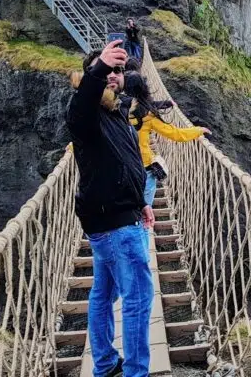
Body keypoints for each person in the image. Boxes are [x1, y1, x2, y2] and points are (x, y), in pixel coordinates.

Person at [66, 41, 154, 377]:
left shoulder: (115, 113)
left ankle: (103, 363)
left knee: (103, 294)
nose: (114, 76)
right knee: (138, 299)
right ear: (93, 75)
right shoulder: (85, 115)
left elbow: (128, 163)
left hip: (115, 215)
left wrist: (141, 203)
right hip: (115, 226)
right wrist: (99, 67)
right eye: (107, 72)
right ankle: (136, 373)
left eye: (118, 71)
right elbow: (81, 105)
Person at [124, 71, 210, 206]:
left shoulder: (113, 112)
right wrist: (197, 130)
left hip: (122, 170)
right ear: (143, 89)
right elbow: (175, 134)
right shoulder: (148, 115)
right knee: (145, 213)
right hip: (144, 169)